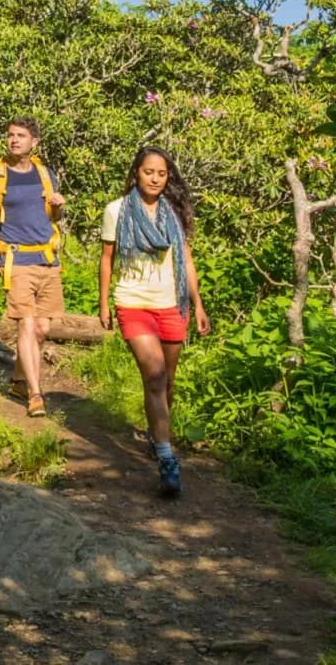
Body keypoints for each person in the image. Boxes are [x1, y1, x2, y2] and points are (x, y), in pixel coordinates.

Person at [99, 145, 211, 496]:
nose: (155, 179)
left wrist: (198, 303)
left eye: (162, 174)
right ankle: (166, 457)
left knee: (168, 383)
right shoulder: (116, 211)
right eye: (149, 172)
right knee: (155, 376)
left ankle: (156, 433)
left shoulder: (173, 213)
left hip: (171, 303)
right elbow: (107, 258)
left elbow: (187, 261)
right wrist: (103, 303)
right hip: (133, 302)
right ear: (136, 173)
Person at [0, 117, 65, 418]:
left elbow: (52, 215)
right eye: (11, 135)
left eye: (21, 136)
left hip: (47, 259)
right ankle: (36, 394)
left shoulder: (45, 174)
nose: (14, 140)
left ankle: (18, 380)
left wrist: (59, 206)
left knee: (42, 328)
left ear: (34, 142)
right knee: (26, 323)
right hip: (15, 260)